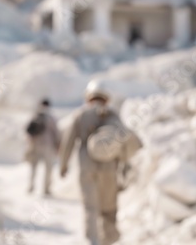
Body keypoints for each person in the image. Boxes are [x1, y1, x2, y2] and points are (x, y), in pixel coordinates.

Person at [59, 81, 126, 245]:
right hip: (109, 168)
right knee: (108, 208)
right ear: (106, 98)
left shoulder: (81, 114)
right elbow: (123, 142)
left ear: (89, 97)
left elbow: (68, 142)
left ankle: (93, 241)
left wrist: (63, 165)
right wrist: (125, 168)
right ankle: (109, 240)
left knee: (90, 207)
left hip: (86, 166)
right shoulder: (113, 115)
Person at [25, 98, 60, 195]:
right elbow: (56, 132)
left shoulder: (35, 115)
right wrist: (58, 145)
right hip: (48, 146)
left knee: (33, 167)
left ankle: (31, 186)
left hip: (35, 145)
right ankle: (46, 189)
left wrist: (29, 145)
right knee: (48, 168)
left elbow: (28, 132)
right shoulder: (51, 117)